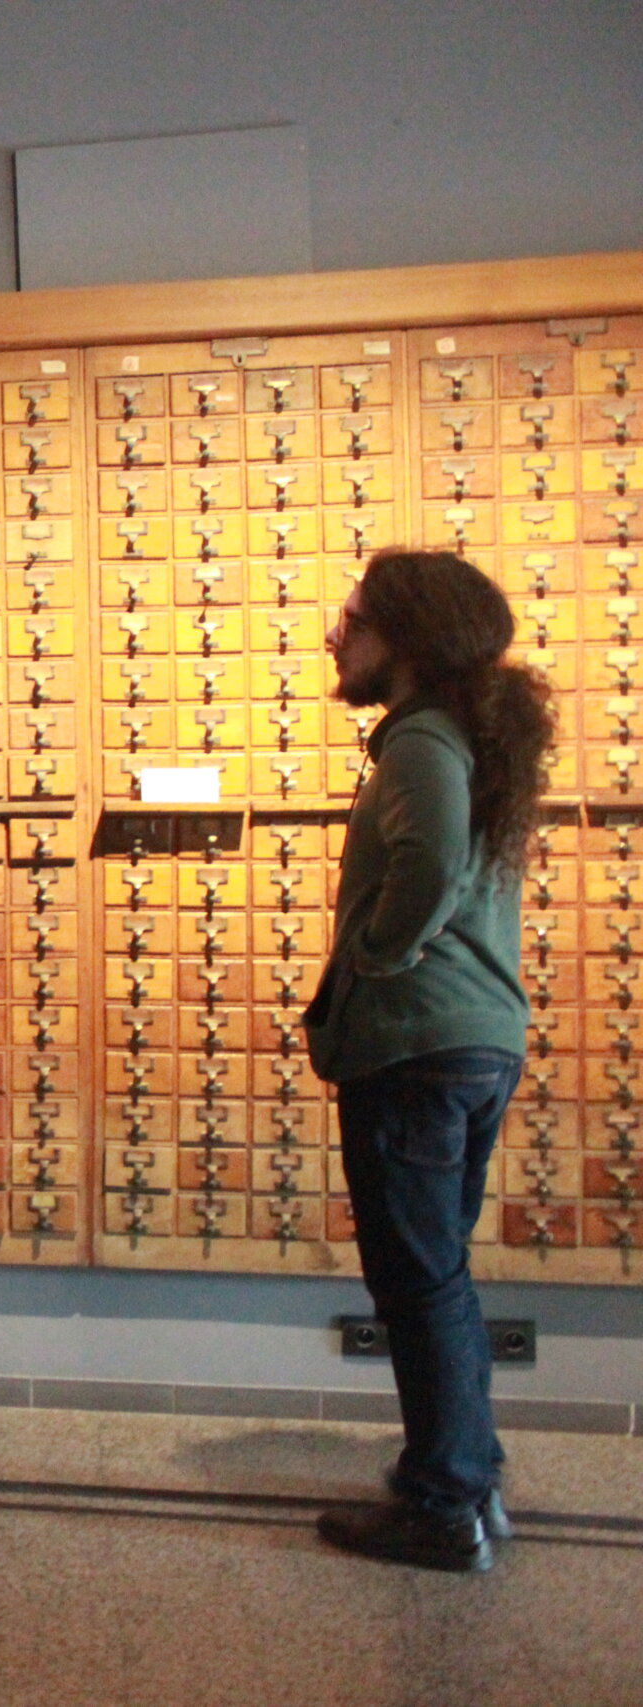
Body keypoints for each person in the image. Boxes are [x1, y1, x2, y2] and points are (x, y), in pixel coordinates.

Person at [306, 550, 551, 1574]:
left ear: (405, 637)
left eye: (353, 619)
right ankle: (466, 1477)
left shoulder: (417, 739)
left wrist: (379, 950)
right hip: (475, 1039)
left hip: (417, 1044)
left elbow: (434, 860)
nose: (335, 635)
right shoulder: (468, 734)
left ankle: (444, 1503)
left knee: (415, 1280)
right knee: (436, 1274)